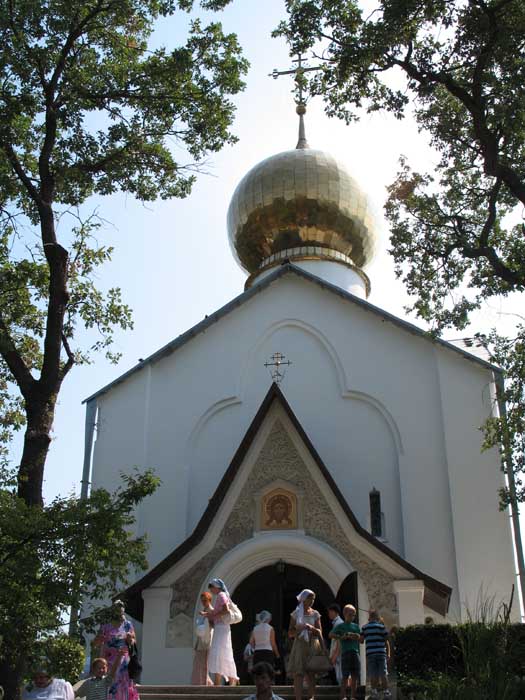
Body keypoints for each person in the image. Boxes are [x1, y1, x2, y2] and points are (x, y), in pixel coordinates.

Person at [93, 600, 139, 700]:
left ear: (123, 610)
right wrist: (99, 639)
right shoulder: (105, 626)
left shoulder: (128, 625)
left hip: (123, 664)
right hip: (108, 663)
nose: (119, 610)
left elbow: (134, 642)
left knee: (123, 687)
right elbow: (95, 644)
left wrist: (130, 639)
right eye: (117, 607)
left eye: (121, 607)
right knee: (110, 687)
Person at [287, 589, 323, 700]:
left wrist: (311, 629)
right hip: (300, 644)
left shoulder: (315, 614)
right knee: (299, 673)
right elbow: (290, 633)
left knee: (311, 671)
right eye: (309, 598)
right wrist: (299, 629)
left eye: (313, 599)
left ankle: (311, 697)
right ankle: (298, 698)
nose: (312, 601)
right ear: (303, 599)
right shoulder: (296, 613)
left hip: (312, 643)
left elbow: (319, 631)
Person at [202, 578, 239, 685]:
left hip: (221, 627)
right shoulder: (222, 595)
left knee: (220, 653)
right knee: (223, 653)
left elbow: (225, 610)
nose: (211, 591)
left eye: (211, 588)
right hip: (222, 627)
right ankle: (228, 681)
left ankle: (225, 681)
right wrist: (209, 615)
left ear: (216, 587)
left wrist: (212, 615)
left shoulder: (221, 595)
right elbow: (221, 611)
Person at [329, 604, 361, 700]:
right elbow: (330, 635)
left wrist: (356, 636)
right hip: (345, 653)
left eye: (354, 615)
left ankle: (353, 696)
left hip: (355, 653)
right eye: (351, 614)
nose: (352, 617)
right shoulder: (341, 626)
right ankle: (343, 696)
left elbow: (361, 639)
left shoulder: (356, 626)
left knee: (355, 675)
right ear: (345, 614)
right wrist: (341, 637)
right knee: (345, 676)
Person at [360, 610, 391, 699]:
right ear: (377, 618)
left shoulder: (365, 627)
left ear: (369, 617)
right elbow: (387, 639)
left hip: (370, 654)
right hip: (381, 653)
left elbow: (361, 641)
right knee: (383, 673)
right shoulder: (381, 627)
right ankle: (386, 692)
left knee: (373, 673)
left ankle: (374, 692)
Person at [191, 591, 214, 685]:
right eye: (202, 601)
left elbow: (213, 624)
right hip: (201, 641)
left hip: (206, 641)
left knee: (204, 665)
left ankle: (204, 684)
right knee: (198, 664)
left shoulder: (211, 610)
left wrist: (206, 616)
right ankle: (205, 683)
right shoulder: (205, 609)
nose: (203, 602)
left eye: (205, 600)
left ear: (209, 600)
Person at [327, 603, 344, 685]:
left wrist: (335, 655)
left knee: (340, 677)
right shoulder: (336, 623)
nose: (329, 614)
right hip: (338, 654)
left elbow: (339, 641)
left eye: (330, 612)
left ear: (335, 612)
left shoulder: (338, 623)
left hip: (339, 655)